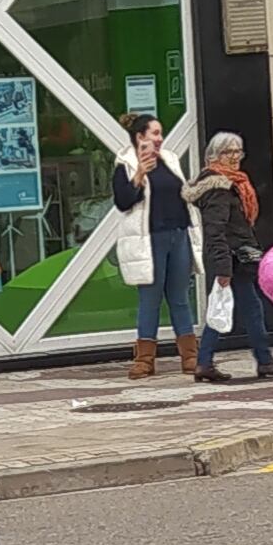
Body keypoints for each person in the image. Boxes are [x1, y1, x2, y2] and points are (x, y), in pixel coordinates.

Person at [184, 132, 273, 382]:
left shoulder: (234, 183)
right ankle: (260, 360)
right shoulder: (218, 186)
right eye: (229, 152)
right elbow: (215, 230)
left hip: (238, 256)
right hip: (231, 257)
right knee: (235, 308)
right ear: (215, 155)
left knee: (242, 308)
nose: (236, 157)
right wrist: (223, 269)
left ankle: (262, 360)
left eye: (239, 151)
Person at [111, 114, 200, 380]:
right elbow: (123, 202)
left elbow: (183, 194)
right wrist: (140, 174)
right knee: (150, 298)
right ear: (140, 137)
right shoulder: (124, 164)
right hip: (149, 238)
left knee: (180, 296)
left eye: (161, 134)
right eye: (154, 133)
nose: (159, 139)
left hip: (178, 233)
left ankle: (190, 357)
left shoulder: (170, 160)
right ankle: (144, 360)